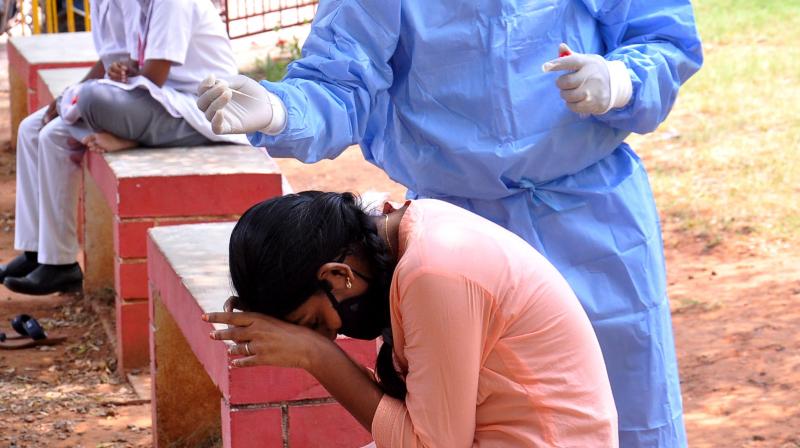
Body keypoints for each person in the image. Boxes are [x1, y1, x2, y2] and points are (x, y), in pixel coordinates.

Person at [196, 2, 703, 445]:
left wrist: (624, 79)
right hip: (461, 218)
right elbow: (340, 78)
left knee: (634, 412)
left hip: (591, 216)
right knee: (469, 406)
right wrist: (282, 110)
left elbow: (663, 35)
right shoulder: (431, 267)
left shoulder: (433, 266)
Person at [205, 191, 619, 446]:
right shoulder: (408, 231)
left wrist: (317, 357)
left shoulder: (434, 273)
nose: (331, 336)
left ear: (337, 275)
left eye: (315, 324)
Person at [0, 0, 247, 295]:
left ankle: (128, 138)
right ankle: (45, 255)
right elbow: (126, 63)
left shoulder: (172, 4)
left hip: (196, 108)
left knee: (91, 99)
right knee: (40, 129)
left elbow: (153, 76)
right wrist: (102, 79)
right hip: (159, 100)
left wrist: (82, 94)